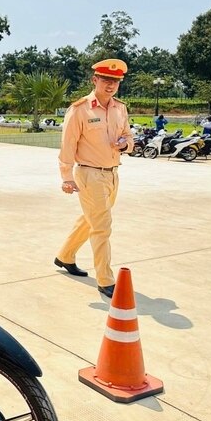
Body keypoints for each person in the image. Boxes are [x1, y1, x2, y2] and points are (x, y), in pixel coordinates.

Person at [54, 59, 133, 298]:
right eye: (106, 80)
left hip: (112, 174)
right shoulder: (80, 109)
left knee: (90, 219)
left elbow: (128, 134)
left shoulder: (120, 108)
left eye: (115, 81)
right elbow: (68, 145)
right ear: (95, 80)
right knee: (102, 226)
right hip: (89, 174)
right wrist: (66, 177)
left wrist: (125, 143)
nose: (110, 85)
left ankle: (65, 256)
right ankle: (105, 280)